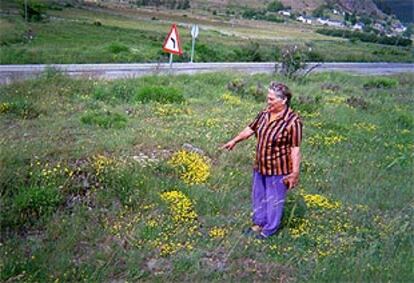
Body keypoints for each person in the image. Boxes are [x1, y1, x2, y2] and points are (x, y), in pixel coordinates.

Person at [220, 82, 303, 239]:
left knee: (274, 200)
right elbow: (251, 129)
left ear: (283, 100)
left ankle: (269, 230)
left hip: (279, 169)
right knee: (258, 196)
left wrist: (295, 172)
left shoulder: (293, 121)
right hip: (260, 166)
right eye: (268, 98)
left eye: (271, 99)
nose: (268, 102)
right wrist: (234, 140)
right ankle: (259, 223)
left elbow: (295, 148)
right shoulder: (264, 114)